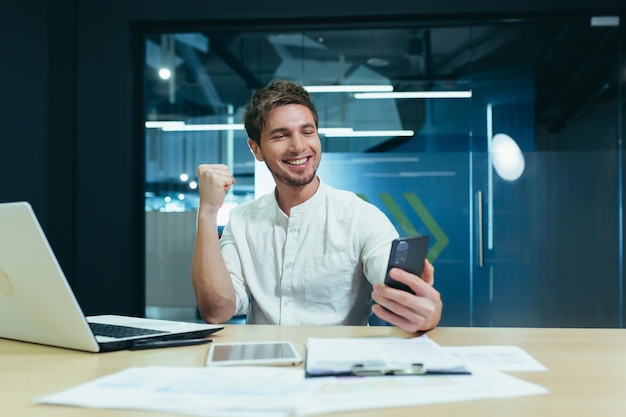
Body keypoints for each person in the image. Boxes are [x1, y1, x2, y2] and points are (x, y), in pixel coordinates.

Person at [191, 79, 442, 333]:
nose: (299, 146)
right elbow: (217, 311)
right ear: (255, 148)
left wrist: (423, 311)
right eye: (281, 135)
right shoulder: (242, 220)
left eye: (307, 132)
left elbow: (400, 289)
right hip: (263, 366)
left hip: (339, 368)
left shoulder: (360, 217)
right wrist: (207, 213)